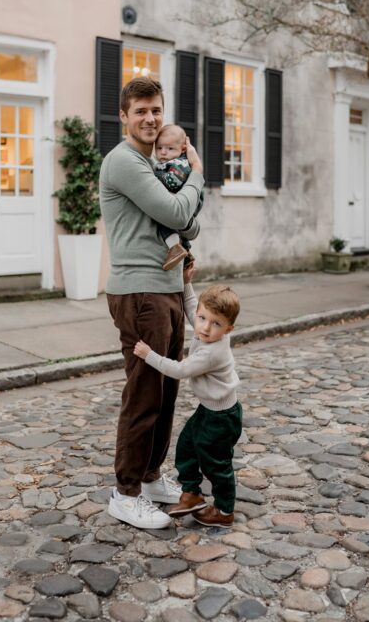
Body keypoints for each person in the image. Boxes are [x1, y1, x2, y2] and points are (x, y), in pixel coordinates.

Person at [98, 76, 204, 530]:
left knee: (166, 391)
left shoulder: (156, 164)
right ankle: (124, 493)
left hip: (166, 287)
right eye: (140, 110)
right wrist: (197, 175)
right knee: (144, 392)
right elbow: (182, 214)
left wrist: (185, 201)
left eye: (156, 109)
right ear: (123, 116)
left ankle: (148, 477)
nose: (150, 118)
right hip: (140, 292)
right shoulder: (125, 163)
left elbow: (189, 227)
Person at [133, 280, 242, 527]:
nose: (204, 327)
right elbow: (193, 304)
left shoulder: (211, 352)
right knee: (186, 447)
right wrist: (186, 281)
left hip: (222, 417)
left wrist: (149, 355)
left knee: (217, 464)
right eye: (202, 318)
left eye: (216, 323)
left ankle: (225, 512)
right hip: (209, 410)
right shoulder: (207, 330)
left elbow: (180, 369)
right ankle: (191, 494)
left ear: (228, 328)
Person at [152, 124, 204, 271]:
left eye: (170, 148)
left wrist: (152, 179)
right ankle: (185, 252)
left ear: (182, 149)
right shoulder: (164, 163)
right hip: (184, 201)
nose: (163, 152)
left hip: (189, 201)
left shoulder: (180, 163)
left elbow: (174, 182)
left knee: (163, 217)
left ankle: (175, 247)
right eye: (159, 147)